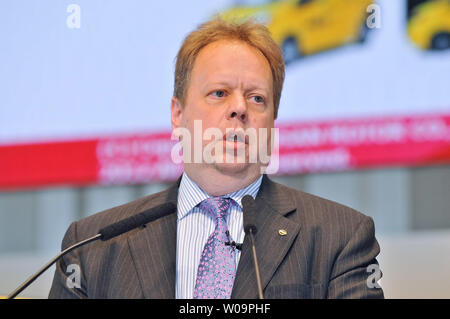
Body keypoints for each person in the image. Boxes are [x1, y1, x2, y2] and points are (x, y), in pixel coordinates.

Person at [48, 17, 384, 299]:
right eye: (219, 93)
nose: (239, 108)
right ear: (177, 114)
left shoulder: (341, 237)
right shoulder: (91, 247)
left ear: (271, 122)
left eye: (256, 98)